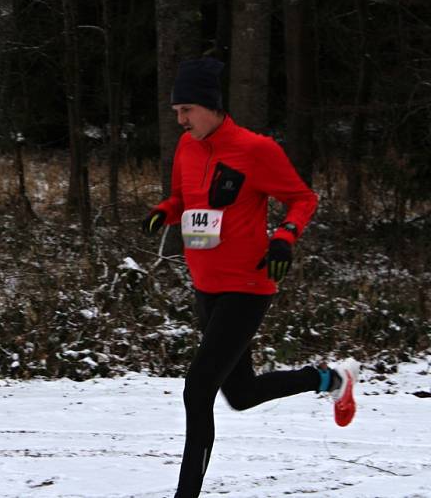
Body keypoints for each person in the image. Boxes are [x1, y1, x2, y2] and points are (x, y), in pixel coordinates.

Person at [142, 57, 359, 497]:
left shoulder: (255, 149)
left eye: (186, 110)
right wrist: (166, 211)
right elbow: (185, 197)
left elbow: (302, 198)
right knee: (239, 393)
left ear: (210, 106)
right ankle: (330, 380)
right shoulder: (187, 148)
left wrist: (284, 236)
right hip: (206, 284)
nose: (180, 120)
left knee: (197, 388)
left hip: (248, 285)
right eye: (176, 112)